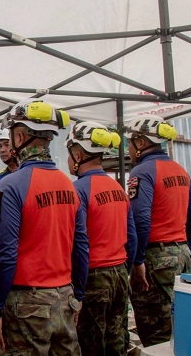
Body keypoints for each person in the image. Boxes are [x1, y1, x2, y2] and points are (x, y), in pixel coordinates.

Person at [0, 99, 88, 355]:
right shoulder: (69, 186)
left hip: (27, 305)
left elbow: (5, 254)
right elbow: (81, 247)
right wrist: (77, 295)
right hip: (66, 298)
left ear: (19, 137)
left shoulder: (9, 186)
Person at [124, 115, 191, 347]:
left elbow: (141, 219)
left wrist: (138, 260)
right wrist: (185, 248)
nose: (128, 149)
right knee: (180, 326)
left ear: (140, 143)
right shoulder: (180, 170)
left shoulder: (142, 171)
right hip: (183, 255)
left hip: (156, 259)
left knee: (156, 331)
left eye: (130, 143)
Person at [66, 121, 137, 355]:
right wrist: (125, 270)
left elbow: (79, 244)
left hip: (93, 277)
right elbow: (132, 237)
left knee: (91, 344)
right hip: (120, 273)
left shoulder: (78, 190)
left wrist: (78, 290)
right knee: (117, 341)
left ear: (77, 155)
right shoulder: (118, 188)